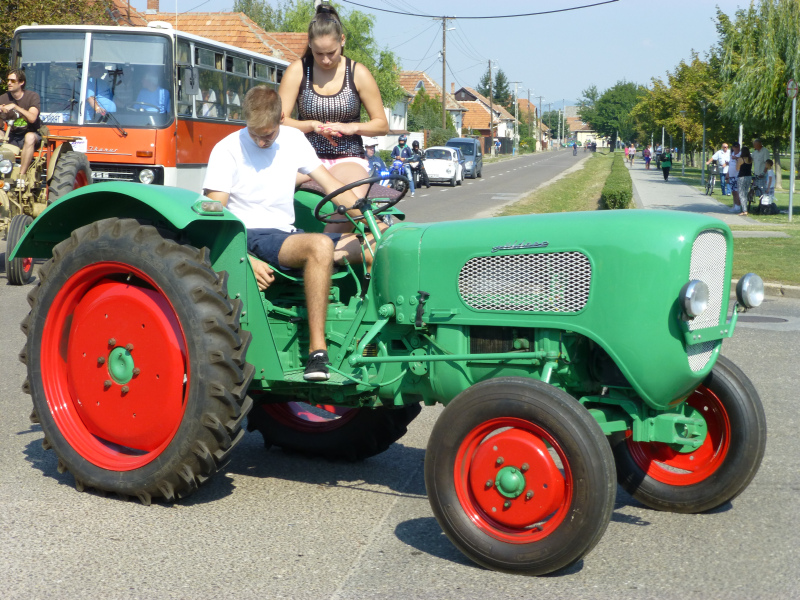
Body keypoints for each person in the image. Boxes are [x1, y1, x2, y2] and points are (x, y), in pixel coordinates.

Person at [202, 86, 377, 381]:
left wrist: (370, 221)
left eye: (268, 135)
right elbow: (213, 219)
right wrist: (245, 259)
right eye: (254, 133)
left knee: (377, 243)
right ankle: (317, 353)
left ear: (282, 118)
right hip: (252, 237)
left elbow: (333, 187)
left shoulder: (294, 140)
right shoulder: (227, 149)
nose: (260, 141)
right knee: (319, 245)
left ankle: (369, 339)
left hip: (286, 235)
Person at [277, 1, 388, 218]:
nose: (326, 60)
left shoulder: (358, 72)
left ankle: (329, 247)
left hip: (347, 157)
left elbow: (382, 125)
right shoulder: (297, 70)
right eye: (319, 54)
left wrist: (352, 128)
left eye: (331, 52)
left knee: (352, 204)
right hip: (305, 156)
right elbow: (278, 120)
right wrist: (310, 126)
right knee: (267, 187)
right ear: (309, 44)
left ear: (342, 41)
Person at [0, 69, 41, 190]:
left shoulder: (32, 97)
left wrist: (15, 107)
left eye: (13, 80)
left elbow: (33, 118)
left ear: (21, 82)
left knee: (29, 136)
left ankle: (21, 177)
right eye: (8, 80)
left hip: (31, 136)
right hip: (12, 136)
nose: (9, 83)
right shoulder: (3, 98)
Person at [736, 146, 753, 216]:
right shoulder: (750, 159)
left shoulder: (741, 159)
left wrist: (736, 162)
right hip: (749, 176)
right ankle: (744, 208)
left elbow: (737, 168)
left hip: (742, 177)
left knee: (741, 194)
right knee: (745, 193)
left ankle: (744, 210)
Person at [727, 142, 742, 213]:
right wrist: (727, 175)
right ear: (733, 148)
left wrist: (736, 158)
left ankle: (738, 206)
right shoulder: (732, 154)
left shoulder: (740, 154)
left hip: (737, 175)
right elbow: (730, 165)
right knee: (733, 191)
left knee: (737, 191)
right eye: (735, 147)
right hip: (731, 175)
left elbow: (742, 161)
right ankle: (735, 205)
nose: (737, 148)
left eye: (738, 147)